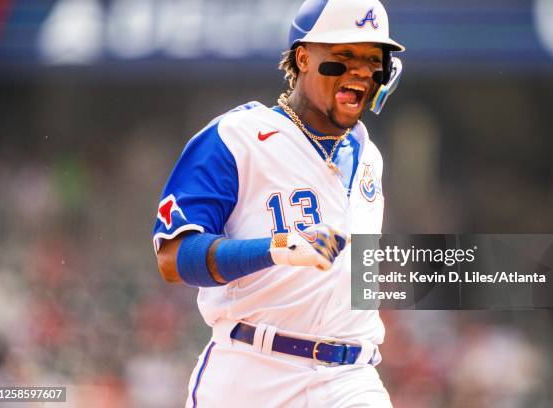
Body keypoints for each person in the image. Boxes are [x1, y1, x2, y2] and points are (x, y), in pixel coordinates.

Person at [152, 0, 404, 406]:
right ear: (303, 58)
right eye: (344, 56)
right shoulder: (238, 137)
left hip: (351, 377)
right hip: (252, 369)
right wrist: (279, 250)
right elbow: (173, 257)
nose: (360, 71)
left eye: (372, 60)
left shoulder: (367, 154)